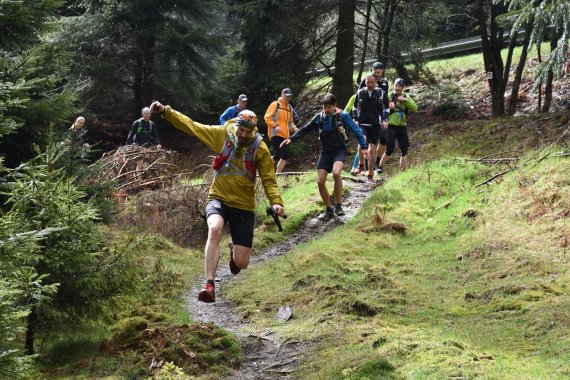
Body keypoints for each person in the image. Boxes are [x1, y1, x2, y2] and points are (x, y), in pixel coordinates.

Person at [149, 101, 285, 303]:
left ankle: (233, 251)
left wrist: (276, 202)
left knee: (242, 262)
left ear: (253, 131)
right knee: (214, 229)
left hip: (243, 206)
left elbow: (268, 179)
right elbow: (192, 126)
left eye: (248, 132)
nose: (243, 135)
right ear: (236, 125)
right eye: (241, 130)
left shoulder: (261, 149)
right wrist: (166, 112)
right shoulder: (222, 134)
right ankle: (209, 285)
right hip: (218, 197)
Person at [280, 93, 368, 219]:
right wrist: (291, 139)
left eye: (329, 107)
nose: (326, 110)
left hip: (339, 150)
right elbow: (305, 129)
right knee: (320, 181)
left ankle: (339, 206)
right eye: (324, 107)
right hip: (325, 151)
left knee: (337, 173)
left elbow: (356, 130)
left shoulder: (343, 116)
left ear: (335, 105)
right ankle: (328, 209)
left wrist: (364, 147)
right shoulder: (319, 117)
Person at [379, 78, 418, 172]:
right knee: (390, 148)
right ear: (394, 86)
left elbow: (415, 108)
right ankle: (379, 167)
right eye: (396, 86)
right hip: (391, 124)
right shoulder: (390, 95)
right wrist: (389, 105)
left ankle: (402, 170)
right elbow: (382, 105)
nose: (397, 88)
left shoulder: (406, 97)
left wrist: (404, 100)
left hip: (402, 125)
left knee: (404, 148)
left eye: (400, 86)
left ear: (403, 87)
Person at [355, 73, 388, 183]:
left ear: (375, 82)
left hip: (375, 123)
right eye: (368, 82)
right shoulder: (360, 93)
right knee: (362, 140)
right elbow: (355, 107)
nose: (370, 84)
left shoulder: (381, 93)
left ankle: (370, 174)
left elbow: (387, 107)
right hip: (363, 122)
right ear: (365, 82)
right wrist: (356, 118)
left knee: (372, 149)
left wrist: (384, 120)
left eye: (372, 82)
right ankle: (360, 164)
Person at [264, 88, 298, 173]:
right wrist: (275, 126)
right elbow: (267, 118)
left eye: (289, 96)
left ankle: (277, 175)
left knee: (285, 156)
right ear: (282, 94)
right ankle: (263, 170)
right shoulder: (275, 104)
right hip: (275, 133)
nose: (288, 98)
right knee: (277, 155)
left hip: (285, 135)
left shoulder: (289, 108)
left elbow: (290, 122)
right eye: (286, 96)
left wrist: (294, 128)